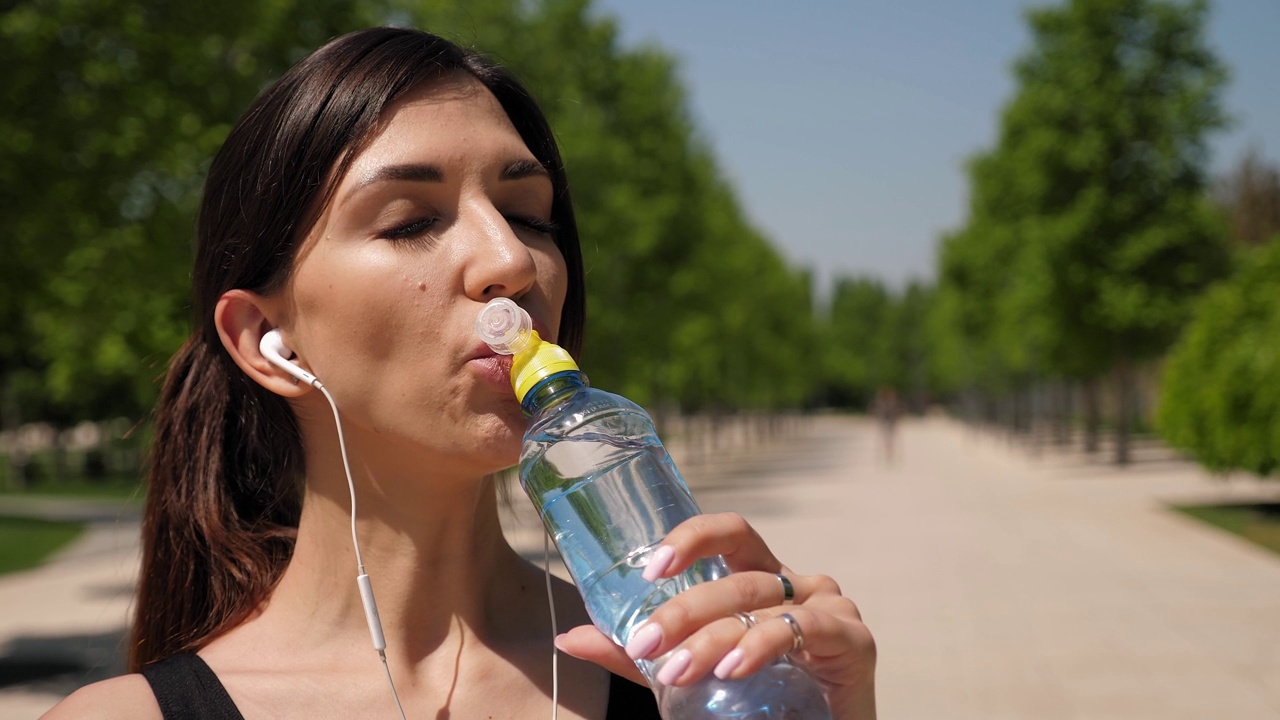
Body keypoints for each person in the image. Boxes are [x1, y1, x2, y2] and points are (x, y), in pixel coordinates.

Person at [42, 27, 876, 720]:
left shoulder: (681, 675)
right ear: (267, 339)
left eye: (527, 215)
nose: (510, 261)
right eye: (410, 221)